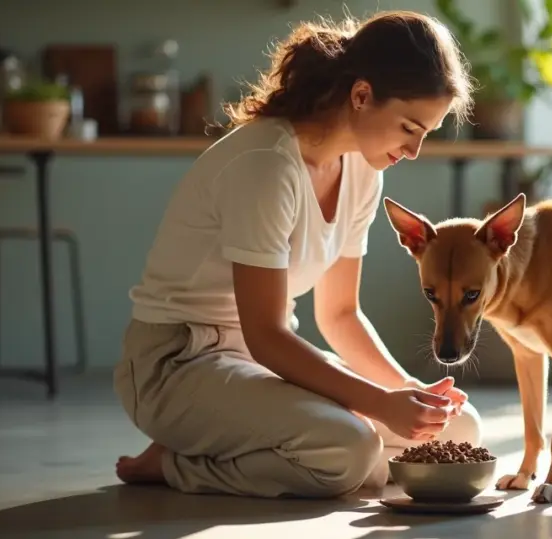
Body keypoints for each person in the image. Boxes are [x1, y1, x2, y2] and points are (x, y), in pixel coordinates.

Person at [112, 10, 482, 499]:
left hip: (260, 363)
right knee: (350, 450)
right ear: (361, 95)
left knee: (460, 429)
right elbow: (266, 334)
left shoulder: (364, 171)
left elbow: (340, 314)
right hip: (178, 364)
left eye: (425, 134)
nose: (413, 150)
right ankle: (176, 463)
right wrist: (380, 404)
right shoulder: (266, 165)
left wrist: (407, 392)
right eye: (408, 128)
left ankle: (278, 450)